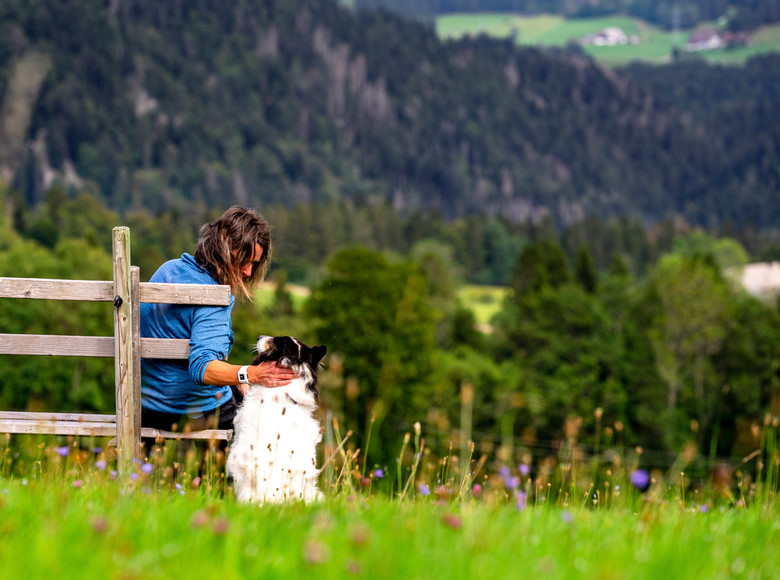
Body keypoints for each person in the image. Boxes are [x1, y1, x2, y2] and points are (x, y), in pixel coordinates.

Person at [140, 206, 297, 434]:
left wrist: (237, 380)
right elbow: (202, 369)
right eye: (247, 260)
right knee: (269, 426)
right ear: (226, 249)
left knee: (240, 391)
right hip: (190, 410)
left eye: (254, 264)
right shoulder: (214, 298)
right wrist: (252, 374)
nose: (248, 272)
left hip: (147, 404)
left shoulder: (168, 270)